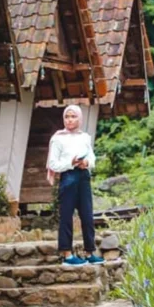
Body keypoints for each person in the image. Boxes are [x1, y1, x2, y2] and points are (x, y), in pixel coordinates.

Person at [45, 105, 104, 265]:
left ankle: (90, 252)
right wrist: (70, 163)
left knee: (87, 215)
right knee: (66, 216)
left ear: (79, 118)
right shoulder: (58, 138)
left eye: (73, 116)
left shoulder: (84, 137)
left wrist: (86, 163)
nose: (70, 120)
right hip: (68, 177)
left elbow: (92, 158)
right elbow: (53, 164)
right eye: (67, 117)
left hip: (83, 177)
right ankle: (67, 254)